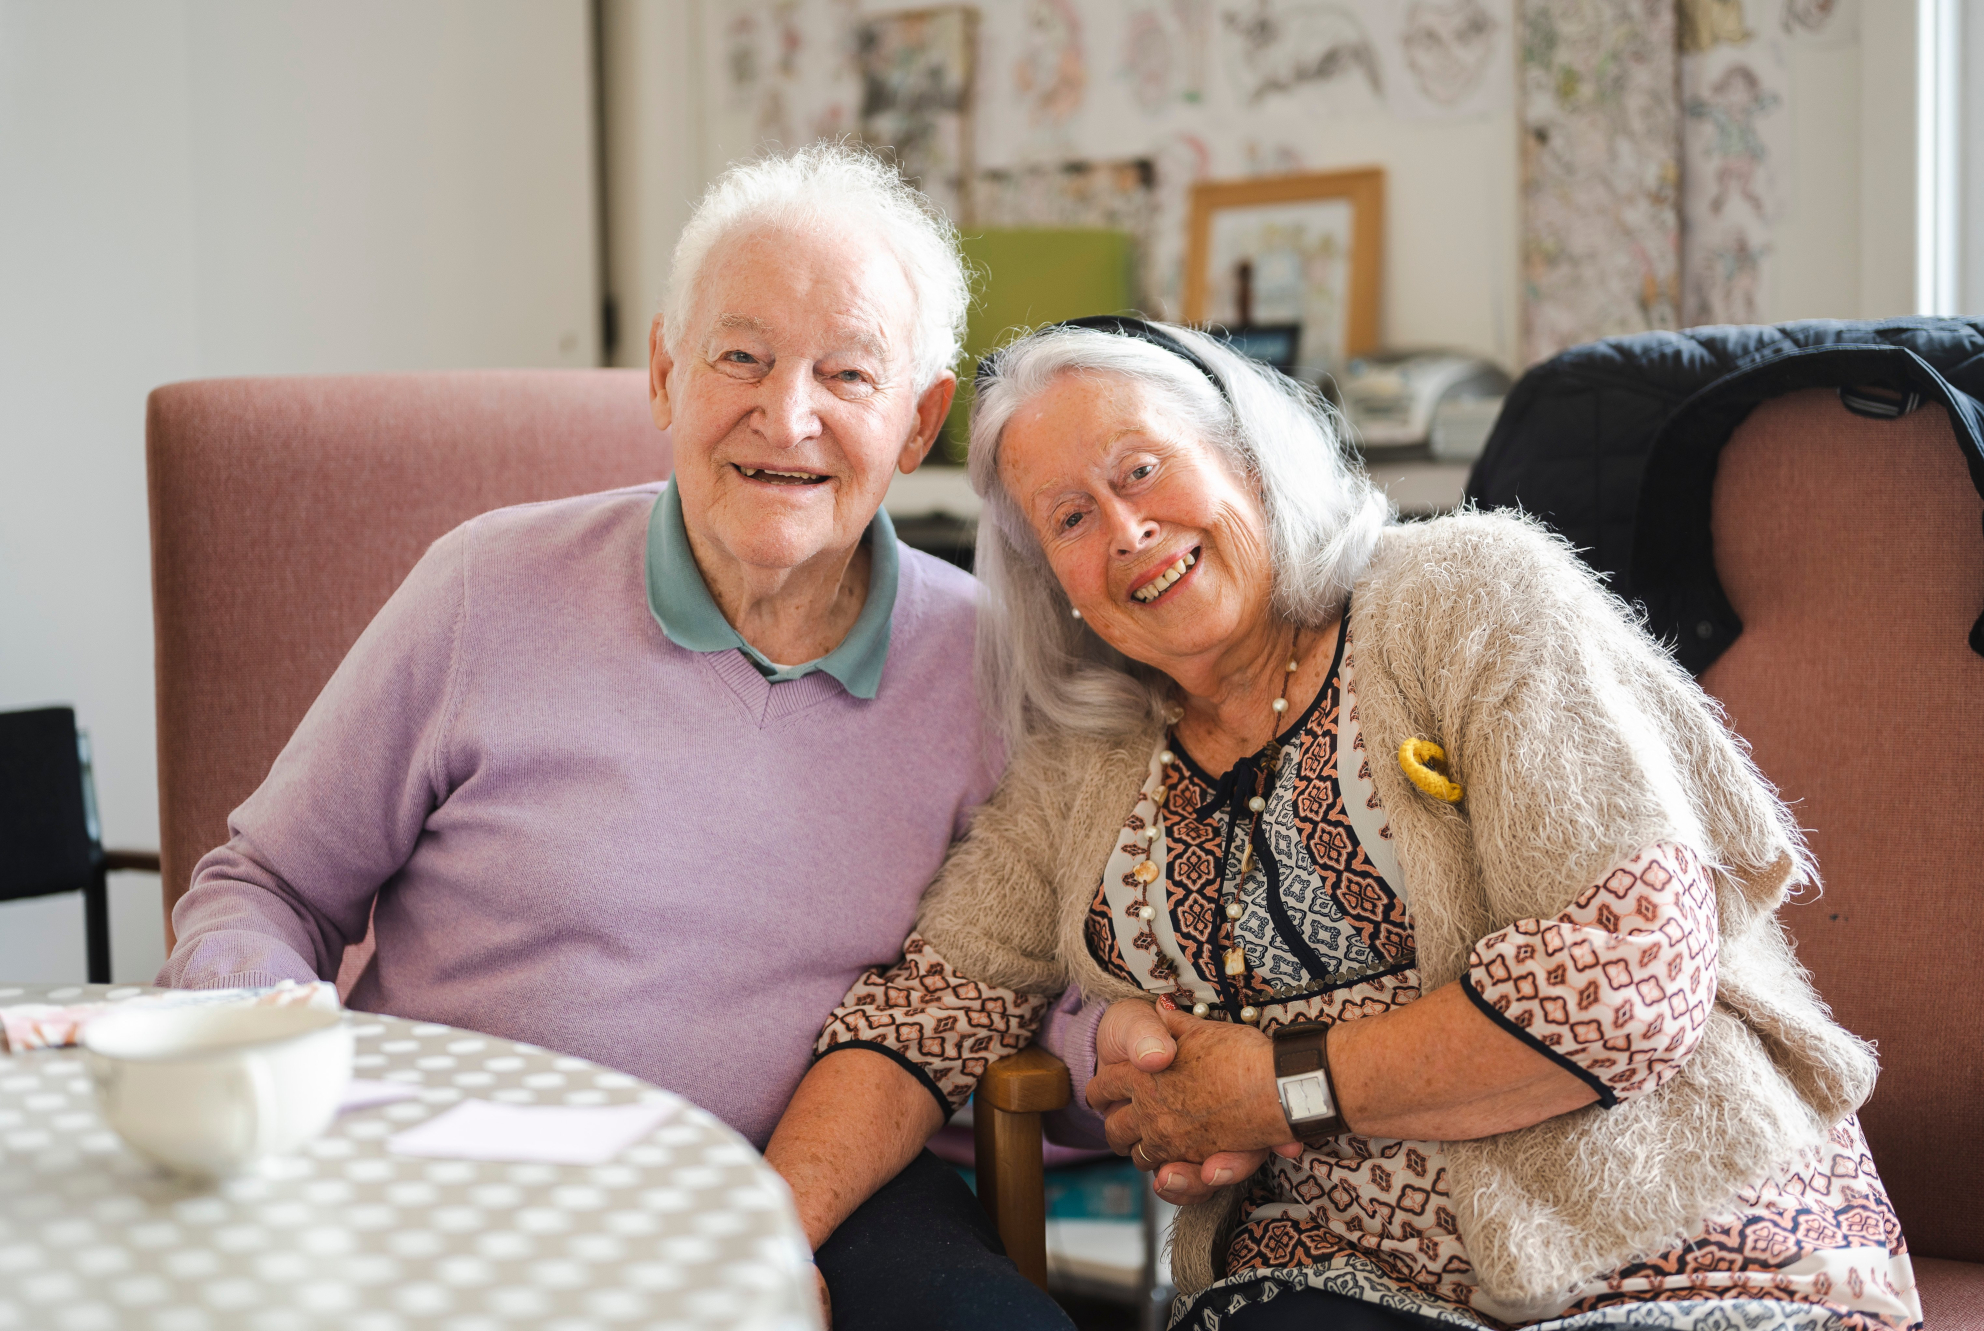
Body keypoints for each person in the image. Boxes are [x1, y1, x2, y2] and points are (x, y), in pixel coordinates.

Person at [768, 317, 1922, 1331]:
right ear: (1048, 577)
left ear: (1247, 461)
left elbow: (1620, 979)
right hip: (1337, 1288)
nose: (1124, 529)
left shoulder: (1467, 598)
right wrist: (763, 1243)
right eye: (1071, 515)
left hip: (1671, 1247)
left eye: (1142, 468)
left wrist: (1272, 1088)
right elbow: (926, 1012)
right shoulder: (1083, 766)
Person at [157, 145, 1071, 1331]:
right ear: (663, 372)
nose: (784, 414)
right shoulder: (485, 586)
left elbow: (1025, 977)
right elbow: (264, 885)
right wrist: (257, 1042)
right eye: (738, 356)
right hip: (471, 1161)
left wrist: (1154, 1054)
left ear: (918, 421)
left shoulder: (990, 664)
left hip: (820, 1163)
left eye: (846, 372)